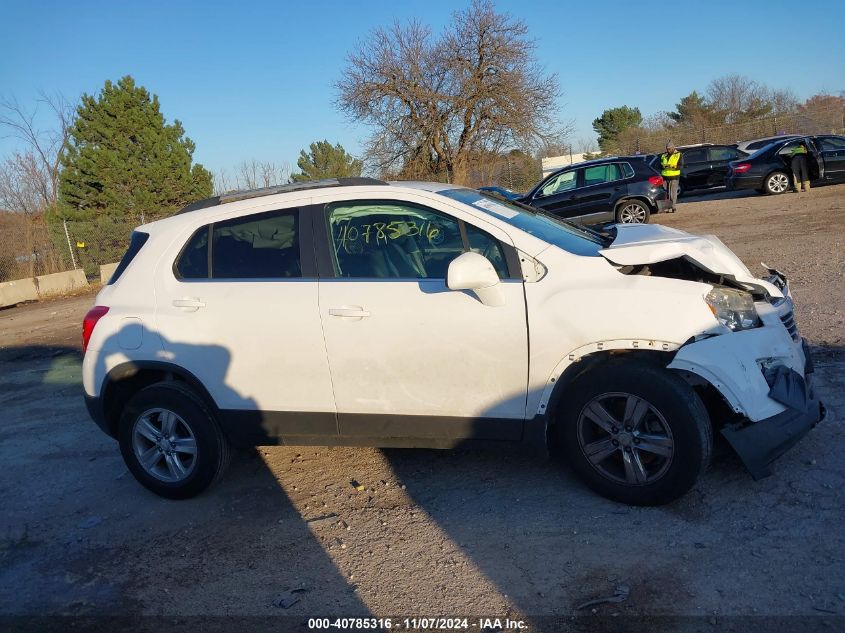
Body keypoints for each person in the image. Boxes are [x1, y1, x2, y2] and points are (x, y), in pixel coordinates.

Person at [660, 142, 682, 212]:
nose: (668, 150)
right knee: (666, 193)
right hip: (665, 177)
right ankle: (666, 207)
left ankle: (673, 207)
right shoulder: (663, 155)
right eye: (667, 149)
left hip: (674, 176)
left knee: (673, 193)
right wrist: (663, 166)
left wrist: (672, 166)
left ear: (673, 148)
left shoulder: (678, 154)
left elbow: (680, 165)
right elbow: (659, 165)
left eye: (669, 149)